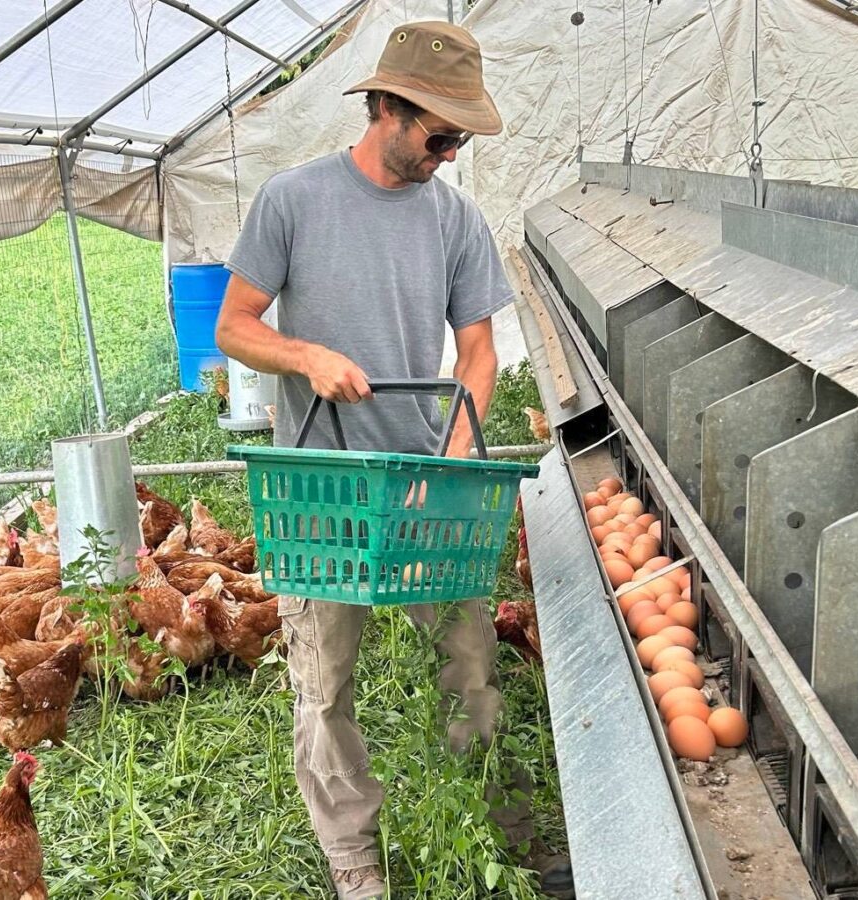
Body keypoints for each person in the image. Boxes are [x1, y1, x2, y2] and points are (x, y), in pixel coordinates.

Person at [215, 20, 573, 900]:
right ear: (384, 107)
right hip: (323, 485)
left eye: (459, 138)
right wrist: (307, 358)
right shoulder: (293, 201)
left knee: (469, 665)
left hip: (425, 484)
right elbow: (234, 325)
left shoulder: (455, 219)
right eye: (439, 135)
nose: (450, 154)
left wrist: (453, 453)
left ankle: (504, 833)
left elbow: (480, 354)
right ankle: (353, 857)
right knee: (324, 681)